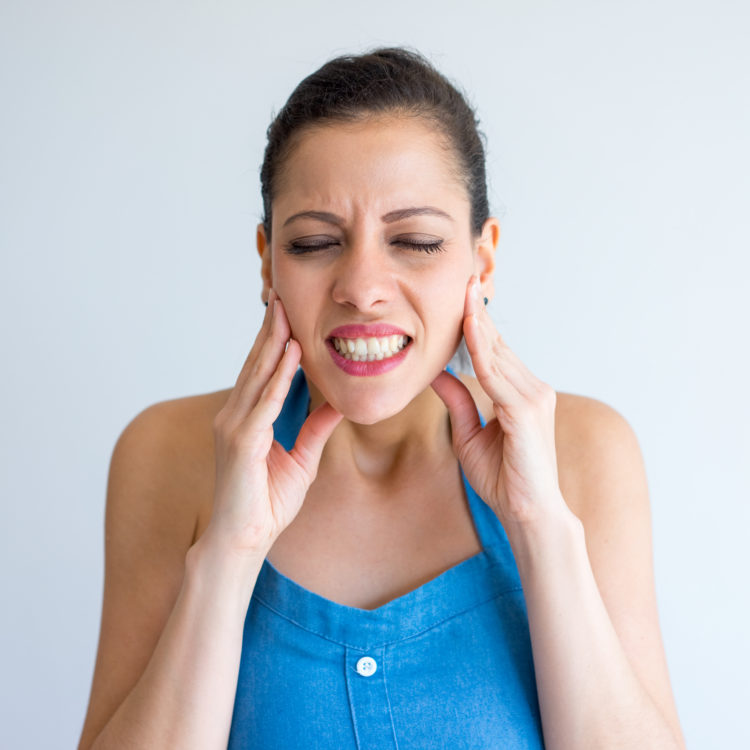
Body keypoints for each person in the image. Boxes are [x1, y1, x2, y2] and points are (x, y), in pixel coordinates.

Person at [78, 48, 685, 749]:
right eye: (313, 242)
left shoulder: (584, 453)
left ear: (481, 259)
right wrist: (230, 550)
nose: (362, 287)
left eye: (416, 240)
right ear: (266, 261)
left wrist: (537, 524)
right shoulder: (168, 454)